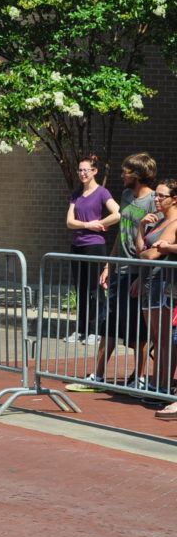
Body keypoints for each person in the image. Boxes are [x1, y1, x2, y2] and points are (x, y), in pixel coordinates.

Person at [70, 153, 158, 391]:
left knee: (137, 330)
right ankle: (97, 376)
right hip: (120, 269)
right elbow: (122, 234)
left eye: (125, 172)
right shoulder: (127, 196)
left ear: (137, 175)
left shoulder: (152, 201)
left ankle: (138, 377)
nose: (121, 176)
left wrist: (142, 276)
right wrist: (109, 264)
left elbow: (153, 241)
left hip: (138, 273)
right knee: (108, 323)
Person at [65, 155, 121, 345]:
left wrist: (100, 224)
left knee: (94, 289)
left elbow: (117, 213)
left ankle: (95, 329)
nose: (82, 174)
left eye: (86, 170)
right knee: (80, 288)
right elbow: (69, 222)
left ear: (94, 171)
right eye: (80, 170)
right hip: (77, 245)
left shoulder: (102, 192)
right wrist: (88, 224)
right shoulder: (76, 194)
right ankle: (80, 330)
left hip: (94, 246)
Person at [132, 178, 177, 397]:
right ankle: (156, 384)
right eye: (155, 195)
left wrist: (145, 254)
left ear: (174, 199)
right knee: (156, 339)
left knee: (164, 339)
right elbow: (140, 250)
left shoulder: (174, 222)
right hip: (148, 283)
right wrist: (141, 227)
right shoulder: (157, 221)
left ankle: (162, 386)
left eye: (161, 196)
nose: (156, 200)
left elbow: (152, 254)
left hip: (163, 283)